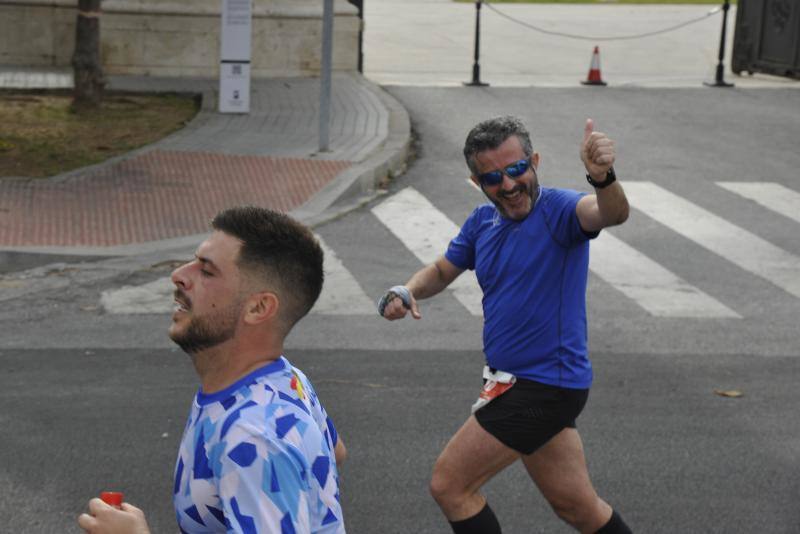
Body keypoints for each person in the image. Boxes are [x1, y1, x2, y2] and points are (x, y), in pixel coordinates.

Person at [378, 116, 632, 533]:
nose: (510, 185)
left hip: (543, 385)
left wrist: (602, 179)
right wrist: (407, 290)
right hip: (519, 383)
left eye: (517, 170)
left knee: (450, 485)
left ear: (534, 162)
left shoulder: (559, 210)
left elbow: (610, 213)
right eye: (493, 177)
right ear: (477, 182)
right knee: (578, 508)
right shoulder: (482, 223)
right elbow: (442, 270)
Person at [79, 206, 347, 534]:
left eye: (206, 271)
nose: (179, 275)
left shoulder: (253, 438)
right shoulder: (288, 379)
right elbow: (334, 453)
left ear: (259, 307)